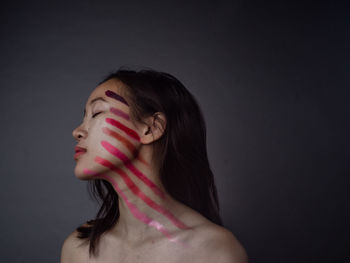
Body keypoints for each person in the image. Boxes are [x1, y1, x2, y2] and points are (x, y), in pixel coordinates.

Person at [60, 68, 248, 263]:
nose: (77, 131)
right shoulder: (78, 250)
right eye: (84, 117)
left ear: (151, 128)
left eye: (96, 112)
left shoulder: (214, 252)